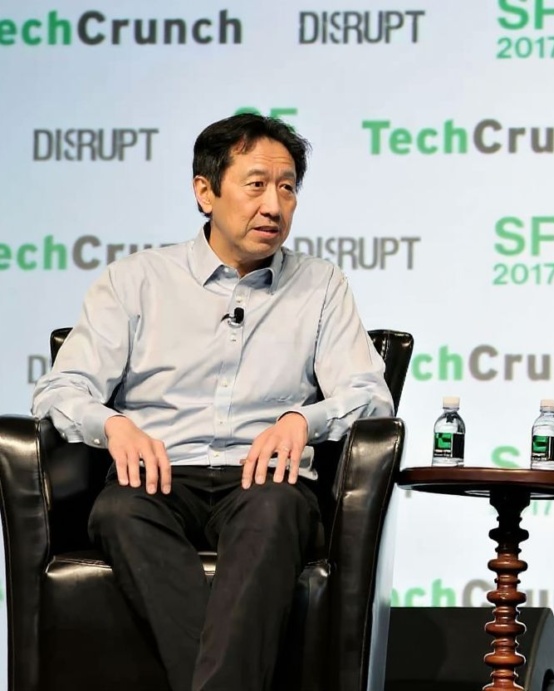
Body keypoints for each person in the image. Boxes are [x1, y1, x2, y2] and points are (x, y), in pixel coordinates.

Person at [31, 113, 393, 691]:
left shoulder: (321, 285)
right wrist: (113, 426)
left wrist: (305, 418)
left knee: (274, 511)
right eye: (256, 185)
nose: (274, 205)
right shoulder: (135, 281)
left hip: (266, 482)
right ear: (206, 192)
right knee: (118, 512)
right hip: (157, 478)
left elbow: (369, 395)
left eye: (288, 187)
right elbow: (59, 391)